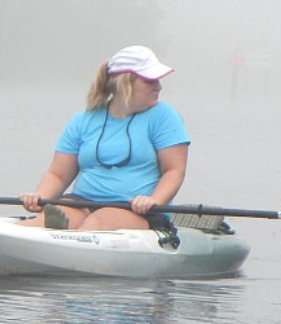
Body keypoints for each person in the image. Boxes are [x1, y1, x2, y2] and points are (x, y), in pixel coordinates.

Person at [19, 45, 189, 230]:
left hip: (136, 209)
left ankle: (72, 241)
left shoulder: (165, 117)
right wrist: (39, 197)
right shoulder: (83, 120)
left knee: (97, 222)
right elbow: (58, 175)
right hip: (81, 203)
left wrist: (153, 200)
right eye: (150, 80)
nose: (159, 86)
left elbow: (174, 171)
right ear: (124, 83)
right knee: (44, 222)